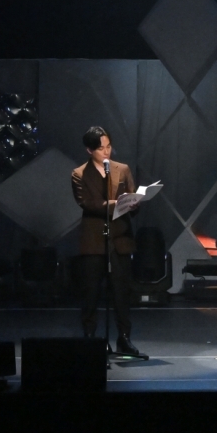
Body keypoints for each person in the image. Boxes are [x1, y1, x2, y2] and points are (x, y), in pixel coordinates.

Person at [69, 126, 142, 356]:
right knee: (91, 292)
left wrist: (134, 203)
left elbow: (132, 201)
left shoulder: (123, 169)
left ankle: (124, 337)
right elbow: (87, 203)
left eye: (109, 146)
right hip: (94, 241)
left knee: (122, 293)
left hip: (120, 239)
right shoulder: (79, 174)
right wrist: (117, 204)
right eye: (101, 148)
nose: (106, 151)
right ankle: (90, 337)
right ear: (89, 150)